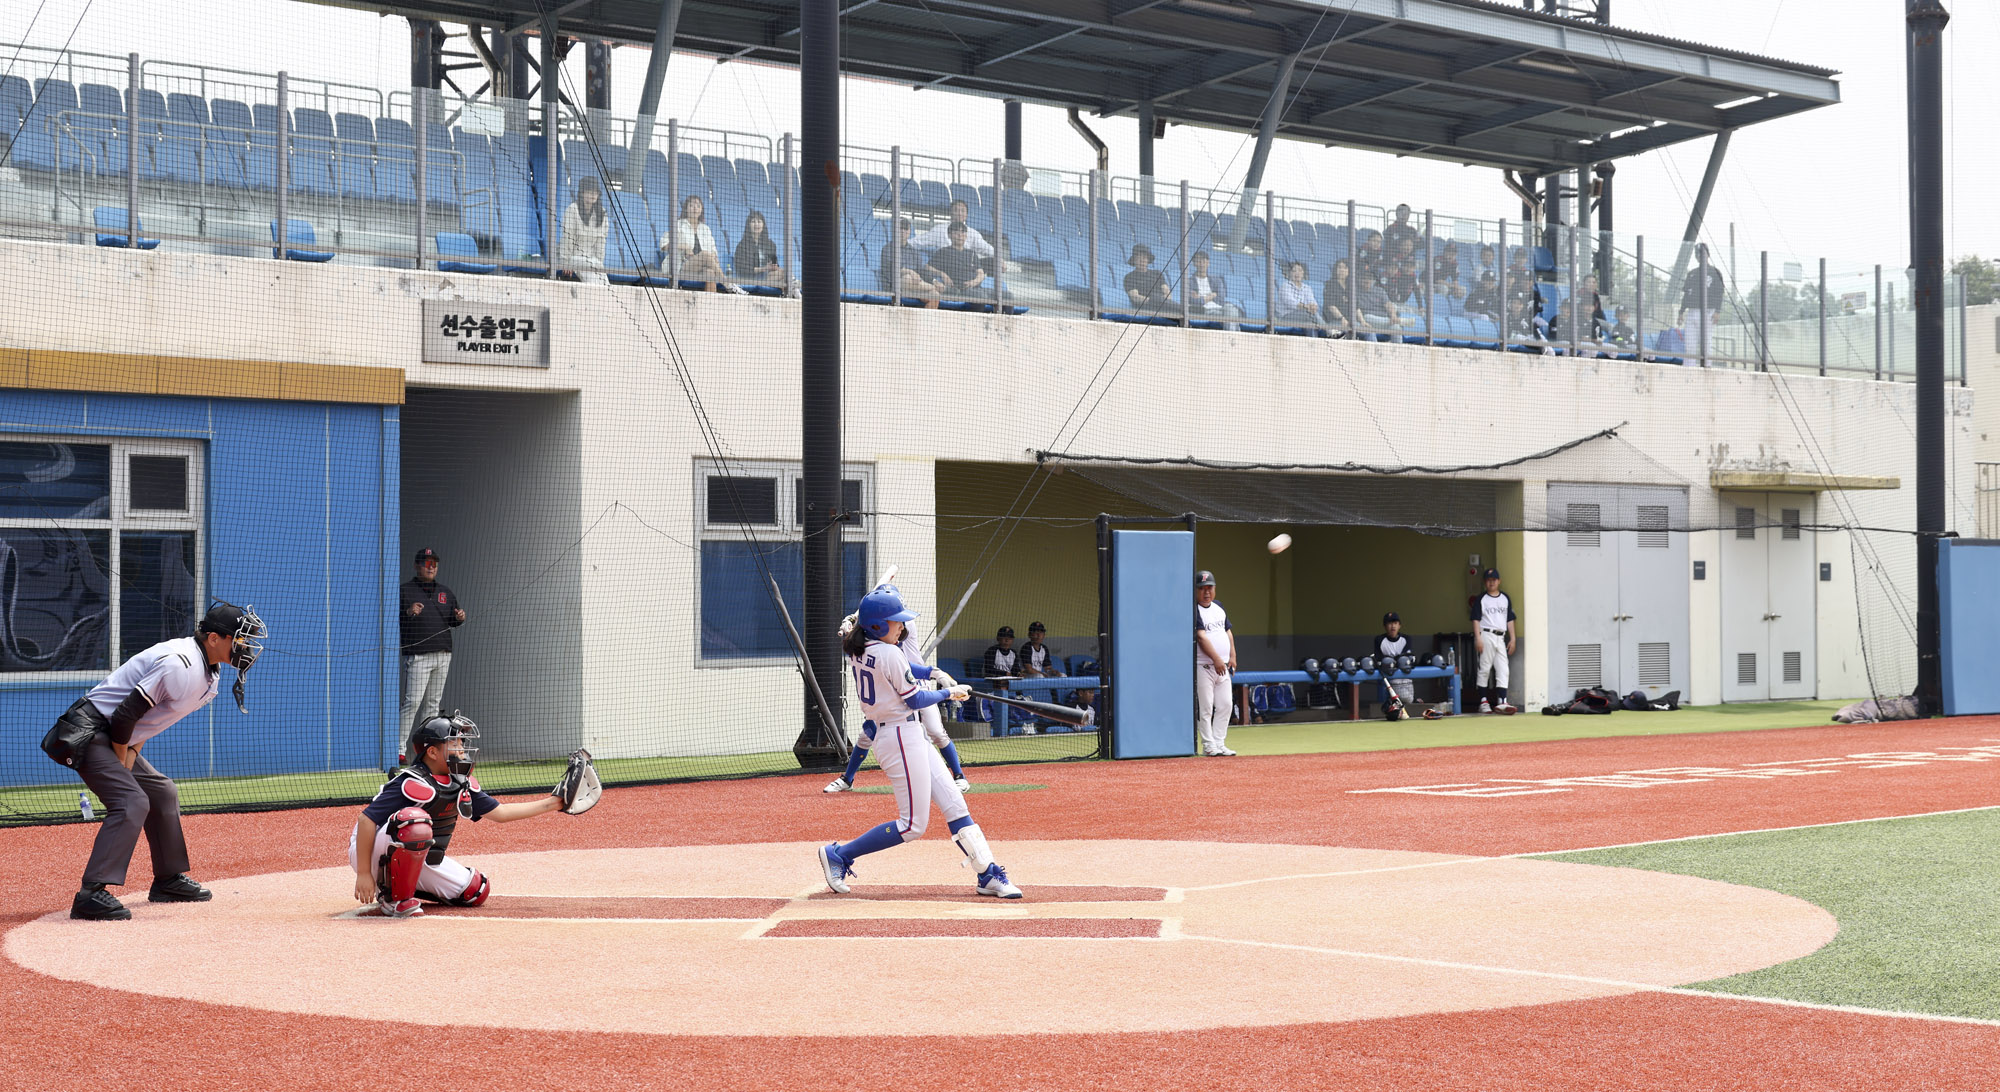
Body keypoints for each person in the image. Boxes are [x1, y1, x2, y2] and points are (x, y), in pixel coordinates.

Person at [62, 601, 266, 920]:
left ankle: (167, 881)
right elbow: (125, 714)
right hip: (87, 731)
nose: (246, 646)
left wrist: (130, 755)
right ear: (214, 638)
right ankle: (90, 895)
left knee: (161, 791)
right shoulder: (180, 664)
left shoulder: (209, 674)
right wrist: (121, 763)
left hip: (114, 733)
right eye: (239, 639)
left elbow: (148, 721)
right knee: (131, 801)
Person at [817, 588, 1021, 899]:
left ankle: (987, 873)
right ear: (876, 625)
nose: (902, 626)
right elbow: (914, 698)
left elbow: (902, 667)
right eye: (896, 621)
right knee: (912, 825)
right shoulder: (886, 652)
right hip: (899, 737)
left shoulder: (858, 646)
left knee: (954, 803)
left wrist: (934, 673)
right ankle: (840, 854)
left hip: (905, 734)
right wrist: (949, 693)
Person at [349, 712, 570, 918]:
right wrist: (364, 873)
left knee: (475, 890)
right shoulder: (411, 782)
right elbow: (366, 820)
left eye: (462, 743)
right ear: (432, 752)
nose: (462, 748)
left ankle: (402, 884)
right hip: (369, 850)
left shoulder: (458, 782)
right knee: (415, 822)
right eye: (454, 743)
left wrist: (555, 803)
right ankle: (393, 898)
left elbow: (501, 813)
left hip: (412, 854)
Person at [825, 582, 970, 795]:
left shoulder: (902, 625)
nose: (900, 623)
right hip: (889, 688)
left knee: (936, 732)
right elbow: (867, 642)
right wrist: (852, 626)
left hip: (916, 681)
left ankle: (959, 776)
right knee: (867, 734)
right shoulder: (871, 641)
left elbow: (897, 659)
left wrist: (934, 673)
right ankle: (847, 778)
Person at [400, 548, 466, 742]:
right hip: (418, 655)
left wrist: (459, 618)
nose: (431, 567)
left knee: (432, 704)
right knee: (412, 702)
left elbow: (453, 620)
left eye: (434, 564)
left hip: (443, 654)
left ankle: (427, 745)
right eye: (426, 563)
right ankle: (399, 748)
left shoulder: (445, 592)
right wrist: (408, 612)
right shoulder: (405, 590)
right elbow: (393, 620)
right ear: (417, 565)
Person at [1194, 570, 1236, 757]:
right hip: (1203, 665)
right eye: (1202, 588)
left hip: (1223, 666)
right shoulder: (1194, 609)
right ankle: (1208, 745)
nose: (1206, 592)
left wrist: (1232, 656)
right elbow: (1201, 638)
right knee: (1206, 707)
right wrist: (1217, 659)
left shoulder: (1218, 606)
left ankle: (1219, 742)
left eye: (1209, 587)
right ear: (1195, 590)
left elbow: (1228, 632)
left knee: (1226, 704)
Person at [667, 194, 737, 294]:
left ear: (701, 210)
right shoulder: (678, 225)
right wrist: (684, 246)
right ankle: (728, 285)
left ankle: (710, 303)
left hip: (702, 267)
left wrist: (714, 256)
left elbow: (713, 251)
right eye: (691, 205)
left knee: (710, 273)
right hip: (682, 266)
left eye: (698, 206)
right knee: (705, 254)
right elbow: (664, 244)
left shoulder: (705, 229)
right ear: (686, 208)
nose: (695, 208)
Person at [1471, 568, 1518, 714]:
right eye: (1488, 580)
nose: (1491, 583)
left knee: (1503, 668)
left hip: (1501, 636)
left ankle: (1502, 701)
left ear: (1499, 581)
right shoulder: (1481, 599)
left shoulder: (1505, 598)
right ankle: (1483, 701)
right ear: (1485, 582)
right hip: (1486, 634)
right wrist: (1478, 638)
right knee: (1485, 668)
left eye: (1494, 580)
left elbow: (1509, 619)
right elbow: (1476, 619)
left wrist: (1513, 638)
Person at [878, 217, 943, 309]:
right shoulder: (887, 248)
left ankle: (924, 318)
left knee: (935, 295)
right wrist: (910, 272)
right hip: (895, 287)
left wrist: (934, 281)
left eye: (906, 228)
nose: (903, 231)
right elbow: (892, 268)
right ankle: (931, 287)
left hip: (915, 288)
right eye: (900, 228)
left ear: (909, 231)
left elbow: (922, 270)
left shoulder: (913, 251)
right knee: (907, 278)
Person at [1679, 244, 1727, 360]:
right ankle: (1689, 368)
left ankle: (1707, 367)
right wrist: (1681, 312)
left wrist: (1717, 311)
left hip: (1708, 311)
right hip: (1692, 311)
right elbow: (1686, 294)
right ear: (1696, 256)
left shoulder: (1715, 272)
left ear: (1708, 255)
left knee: (1706, 345)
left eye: (1703, 254)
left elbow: (1719, 293)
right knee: (1689, 345)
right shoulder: (1692, 273)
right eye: (1698, 254)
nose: (1700, 256)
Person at [557, 175, 608, 283]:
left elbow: (601, 242)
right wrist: (565, 263)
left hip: (594, 262)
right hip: (574, 258)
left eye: (595, 192)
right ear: (582, 193)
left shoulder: (602, 213)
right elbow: (568, 238)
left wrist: (599, 262)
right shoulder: (572, 210)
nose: (593, 194)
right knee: (595, 284)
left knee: (605, 284)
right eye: (589, 191)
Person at [910, 199, 994, 259]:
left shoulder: (973, 233)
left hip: (967, 269)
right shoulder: (940, 230)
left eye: (963, 211)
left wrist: (998, 257)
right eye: (956, 210)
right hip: (946, 267)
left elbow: (987, 249)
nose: (959, 213)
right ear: (950, 213)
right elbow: (918, 242)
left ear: (966, 214)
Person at [927, 222, 988, 299]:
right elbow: (927, 267)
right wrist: (942, 274)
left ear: (966, 236)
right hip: (958, 289)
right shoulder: (943, 251)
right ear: (949, 235)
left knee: (1001, 295)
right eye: (956, 232)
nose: (960, 235)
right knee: (982, 296)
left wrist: (973, 282)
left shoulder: (972, 253)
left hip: (976, 288)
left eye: (963, 232)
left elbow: (980, 273)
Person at [732, 210, 784, 290]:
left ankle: (793, 287)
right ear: (749, 225)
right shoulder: (741, 246)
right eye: (753, 221)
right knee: (784, 279)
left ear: (763, 225)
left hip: (769, 277)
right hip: (750, 279)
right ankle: (794, 288)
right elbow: (742, 269)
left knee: (784, 273)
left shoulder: (771, 244)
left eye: (759, 221)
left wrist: (774, 267)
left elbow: (774, 263)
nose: (756, 224)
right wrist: (764, 268)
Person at [1376, 612, 1415, 717]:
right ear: (1385, 626)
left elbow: (1406, 659)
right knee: (1403, 698)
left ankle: (1398, 709)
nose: (1393, 626)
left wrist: (1394, 660)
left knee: (1409, 698)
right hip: (1389, 676)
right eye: (1389, 623)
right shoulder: (1379, 640)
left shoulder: (1406, 639)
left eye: (1395, 623)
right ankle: (1395, 710)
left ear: (1399, 625)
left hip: (1404, 676)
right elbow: (1379, 659)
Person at [1185, 250, 1241, 322]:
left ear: (1208, 263)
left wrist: (1202, 298)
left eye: (1204, 261)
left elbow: (1221, 299)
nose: (1201, 264)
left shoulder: (1217, 281)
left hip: (1219, 308)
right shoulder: (1189, 282)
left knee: (1231, 308)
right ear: (1194, 264)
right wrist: (1212, 296)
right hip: (1203, 311)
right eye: (1198, 261)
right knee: (1230, 315)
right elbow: (1191, 301)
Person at [1123, 244, 1171, 312]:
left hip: (1163, 305)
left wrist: (1166, 300)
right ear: (1134, 261)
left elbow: (1166, 291)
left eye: (1144, 258)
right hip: (1144, 308)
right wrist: (1154, 301)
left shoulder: (1157, 273)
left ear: (1148, 260)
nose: (1142, 260)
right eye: (1138, 258)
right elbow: (1135, 297)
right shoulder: (1129, 277)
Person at [1275, 260, 1322, 328]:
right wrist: (1306, 307)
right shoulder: (1285, 286)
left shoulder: (1307, 288)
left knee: (1312, 316)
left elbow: (1312, 300)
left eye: (1300, 270)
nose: (1297, 273)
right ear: (1290, 273)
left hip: (1305, 315)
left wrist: (1313, 306)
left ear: (1303, 273)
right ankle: (1328, 330)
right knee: (1310, 315)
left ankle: (1325, 331)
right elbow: (1291, 303)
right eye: (1294, 271)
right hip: (1286, 316)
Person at [1322, 258, 1355, 332]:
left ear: (1349, 271)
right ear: (1335, 270)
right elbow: (1331, 306)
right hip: (1335, 321)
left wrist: (1363, 321)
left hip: (1350, 322)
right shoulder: (1330, 285)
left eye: (1345, 268)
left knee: (1368, 332)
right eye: (1339, 267)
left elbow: (1356, 307)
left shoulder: (1351, 287)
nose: (1342, 270)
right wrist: (1341, 318)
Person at [982, 625, 1019, 690]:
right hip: (992, 682)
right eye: (1004, 637)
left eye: (1010, 637)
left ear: (1012, 640)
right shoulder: (991, 651)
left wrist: (1019, 673)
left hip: (1009, 682)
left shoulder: (1013, 653)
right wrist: (1004, 673)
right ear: (998, 638)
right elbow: (988, 670)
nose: (1007, 640)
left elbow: (1015, 669)